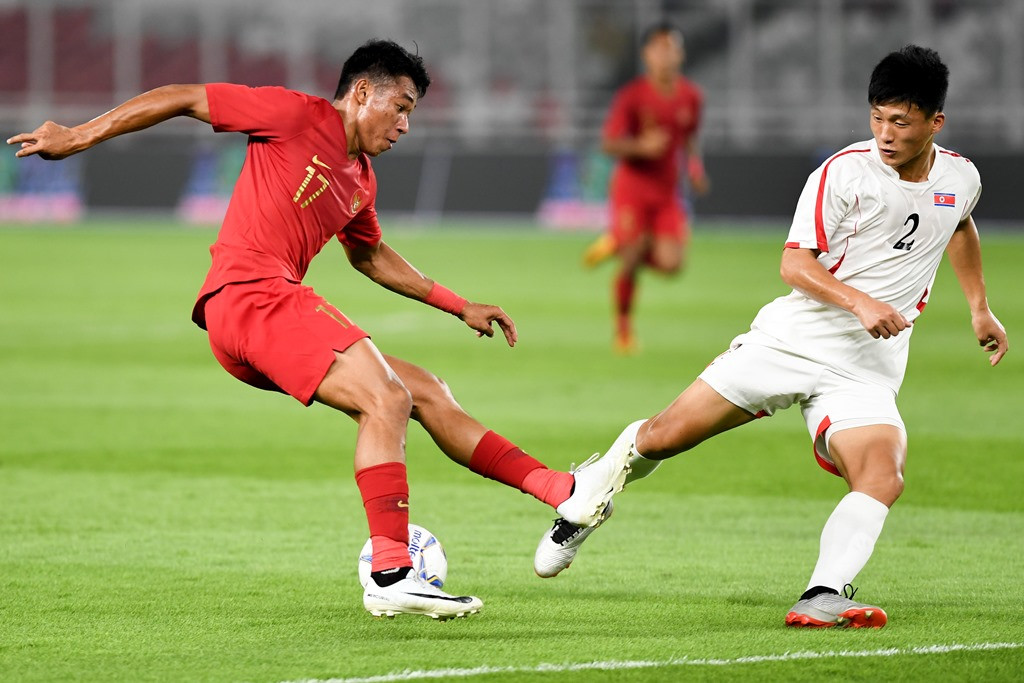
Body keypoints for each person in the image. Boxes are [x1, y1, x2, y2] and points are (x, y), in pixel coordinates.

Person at [8, 39, 631, 621]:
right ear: (362, 92)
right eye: (402, 107)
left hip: (256, 321)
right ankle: (391, 576)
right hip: (250, 294)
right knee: (386, 396)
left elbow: (370, 257)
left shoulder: (361, 178)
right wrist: (81, 135)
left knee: (426, 391)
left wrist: (458, 304)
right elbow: (183, 96)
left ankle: (563, 493)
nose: (405, 126)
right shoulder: (293, 114)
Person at [534, 45, 1008, 628]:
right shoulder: (841, 174)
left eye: (901, 122)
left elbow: (959, 223)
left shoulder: (962, 177)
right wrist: (860, 301)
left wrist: (980, 309)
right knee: (662, 438)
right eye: (877, 117)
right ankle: (585, 500)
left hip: (867, 368)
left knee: (883, 475)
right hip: (793, 342)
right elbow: (794, 265)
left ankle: (822, 594)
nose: (885, 133)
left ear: (936, 122)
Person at [582, 21, 710, 354]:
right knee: (631, 260)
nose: (667, 55)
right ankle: (623, 329)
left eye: (673, 47)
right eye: (660, 48)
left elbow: (690, 140)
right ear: (647, 54)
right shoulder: (632, 96)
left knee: (672, 264)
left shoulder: (691, 97)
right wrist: (641, 146)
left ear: (680, 53)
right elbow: (608, 143)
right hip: (632, 189)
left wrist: (695, 168)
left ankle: (618, 243)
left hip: (667, 192)